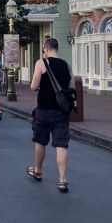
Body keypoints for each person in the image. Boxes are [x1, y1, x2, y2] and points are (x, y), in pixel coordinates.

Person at [28, 38, 75, 193]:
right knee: (61, 144)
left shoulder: (41, 63)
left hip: (44, 108)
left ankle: (38, 171)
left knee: (40, 141)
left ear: (46, 49)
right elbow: (72, 88)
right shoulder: (66, 65)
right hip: (61, 111)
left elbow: (34, 86)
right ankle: (62, 181)